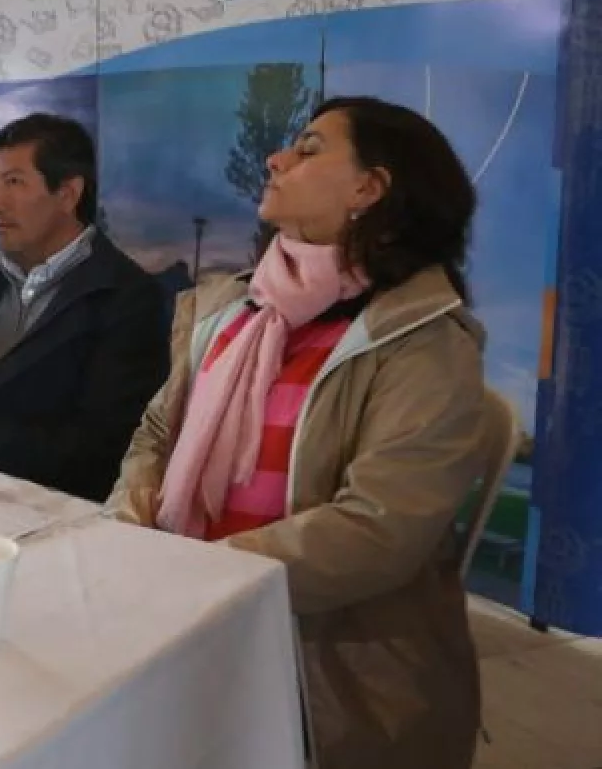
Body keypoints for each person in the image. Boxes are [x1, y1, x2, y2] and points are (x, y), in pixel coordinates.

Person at [106, 96, 497, 769]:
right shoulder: (233, 308)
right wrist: (133, 522)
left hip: (326, 667)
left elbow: (379, 529)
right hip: (182, 618)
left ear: (368, 189)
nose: (275, 159)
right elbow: (158, 432)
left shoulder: (425, 342)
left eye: (309, 149)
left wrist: (204, 577)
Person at [0, 113, 168, 500]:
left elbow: (102, 448)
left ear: (68, 194)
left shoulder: (125, 297)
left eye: (14, 182)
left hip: (34, 498)